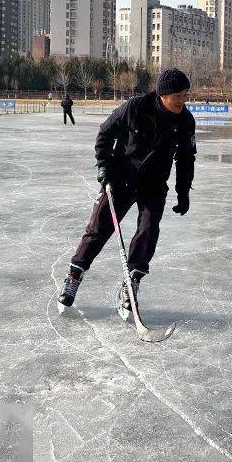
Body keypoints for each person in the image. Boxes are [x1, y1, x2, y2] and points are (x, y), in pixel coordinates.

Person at [58, 68, 195, 311]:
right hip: (121, 179)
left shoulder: (185, 121)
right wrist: (104, 166)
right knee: (98, 229)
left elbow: (186, 159)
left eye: (186, 94)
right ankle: (74, 276)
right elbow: (104, 134)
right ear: (165, 94)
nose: (185, 99)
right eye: (181, 94)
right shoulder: (135, 108)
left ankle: (131, 283)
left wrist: (183, 192)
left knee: (148, 231)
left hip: (153, 185)